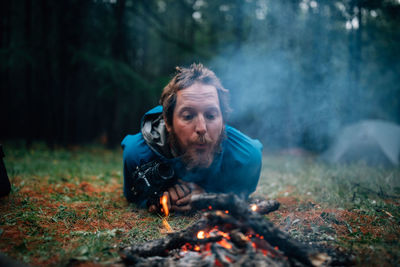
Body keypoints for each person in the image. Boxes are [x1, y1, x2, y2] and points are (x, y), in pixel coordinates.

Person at [121, 63, 262, 212]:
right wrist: (156, 197)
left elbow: (241, 194)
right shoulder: (138, 154)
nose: (201, 128)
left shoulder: (246, 157)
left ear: (223, 121)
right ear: (168, 122)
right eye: (188, 116)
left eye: (211, 115)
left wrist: (210, 196)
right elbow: (133, 195)